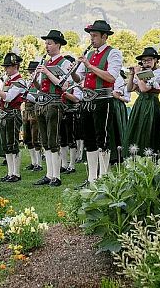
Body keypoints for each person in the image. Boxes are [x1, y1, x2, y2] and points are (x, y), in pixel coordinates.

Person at [72, 20, 122, 186]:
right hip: (86, 101)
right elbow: (80, 78)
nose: (91, 39)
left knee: (103, 139)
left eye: (94, 36)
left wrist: (90, 66)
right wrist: (73, 72)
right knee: (90, 140)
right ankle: (92, 177)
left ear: (104, 36)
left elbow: (111, 77)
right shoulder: (89, 55)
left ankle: (104, 177)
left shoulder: (113, 53)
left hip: (102, 101)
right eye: (91, 35)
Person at [34, 30, 72, 187]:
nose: (46, 46)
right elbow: (40, 87)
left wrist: (47, 72)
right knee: (45, 141)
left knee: (53, 139)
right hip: (42, 103)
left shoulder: (64, 63)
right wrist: (35, 78)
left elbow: (64, 85)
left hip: (55, 104)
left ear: (58, 45)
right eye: (46, 43)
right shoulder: (46, 63)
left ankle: (57, 176)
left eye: (49, 43)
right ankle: (49, 174)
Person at [0, 52, 26, 182]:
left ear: (15, 66)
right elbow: (0, 99)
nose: (5, 69)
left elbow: (8, 97)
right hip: (4, 113)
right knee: (6, 145)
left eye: (8, 67)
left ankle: (16, 173)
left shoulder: (19, 81)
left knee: (13, 144)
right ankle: (10, 172)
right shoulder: (8, 81)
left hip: (13, 114)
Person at [126, 47, 160, 156]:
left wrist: (138, 75)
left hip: (152, 104)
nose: (146, 63)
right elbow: (129, 89)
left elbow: (144, 89)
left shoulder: (159, 73)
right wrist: (131, 74)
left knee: (150, 130)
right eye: (144, 61)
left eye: (149, 60)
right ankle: (136, 155)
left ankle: (151, 156)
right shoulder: (142, 72)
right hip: (140, 104)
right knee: (138, 128)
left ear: (155, 60)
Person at [22, 60, 43, 171]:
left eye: (32, 71)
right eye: (30, 71)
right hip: (27, 110)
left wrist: (28, 95)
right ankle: (33, 162)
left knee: (36, 138)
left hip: (36, 110)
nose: (31, 73)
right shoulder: (27, 82)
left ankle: (39, 163)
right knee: (27, 138)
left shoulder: (40, 82)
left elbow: (39, 98)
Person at [111, 69, 130, 162]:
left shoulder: (119, 79)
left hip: (117, 106)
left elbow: (127, 99)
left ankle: (119, 155)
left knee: (117, 129)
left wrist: (118, 97)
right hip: (108, 104)